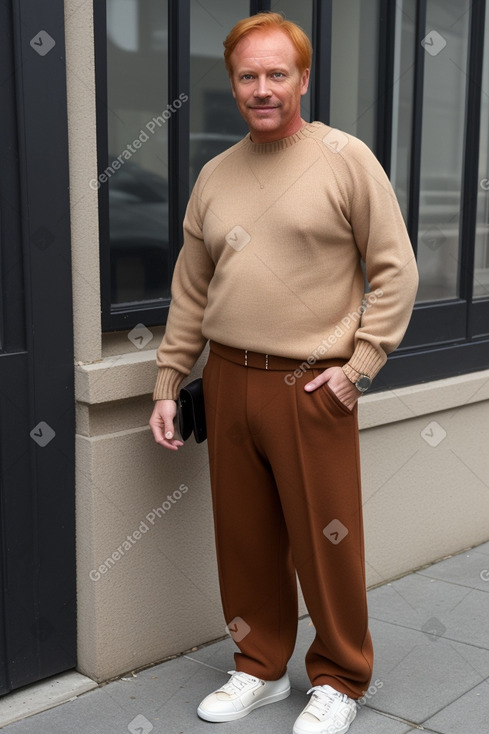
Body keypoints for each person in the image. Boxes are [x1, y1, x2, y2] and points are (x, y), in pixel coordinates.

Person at [150, 11, 418, 734]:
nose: (261, 88)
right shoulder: (214, 175)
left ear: (303, 78)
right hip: (229, 379)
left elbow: (395, 271)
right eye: (247, 75)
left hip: (311, 386)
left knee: (326, 540)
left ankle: (341, 677)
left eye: (276, 74)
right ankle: (259, 667)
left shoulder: (344, 158)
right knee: (244, 538)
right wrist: (169, 382)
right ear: (232, 83)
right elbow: (190, 290)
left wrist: (359, 364)